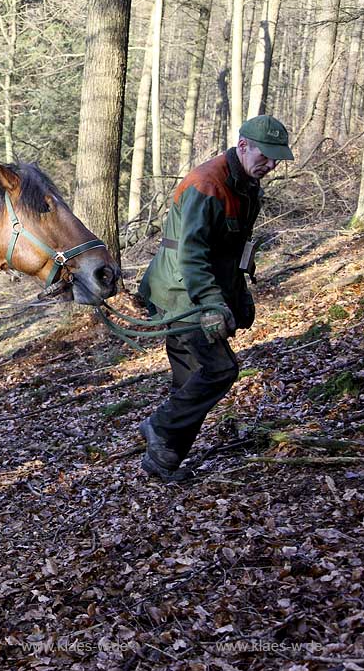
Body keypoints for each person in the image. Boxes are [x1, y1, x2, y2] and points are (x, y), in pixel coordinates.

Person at [137, 115, 294, 482]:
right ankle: (158, 426)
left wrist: (238, 296)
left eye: (276, 159)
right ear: (243, 146)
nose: (270, 165)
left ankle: (162, 462)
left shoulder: (245, 183)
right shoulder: (207, 184)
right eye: (265, 156)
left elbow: (232, 248)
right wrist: (211, 304)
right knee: (220, 369)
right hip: (182, 293)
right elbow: (191, 253)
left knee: (190, 381)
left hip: (199, 288)